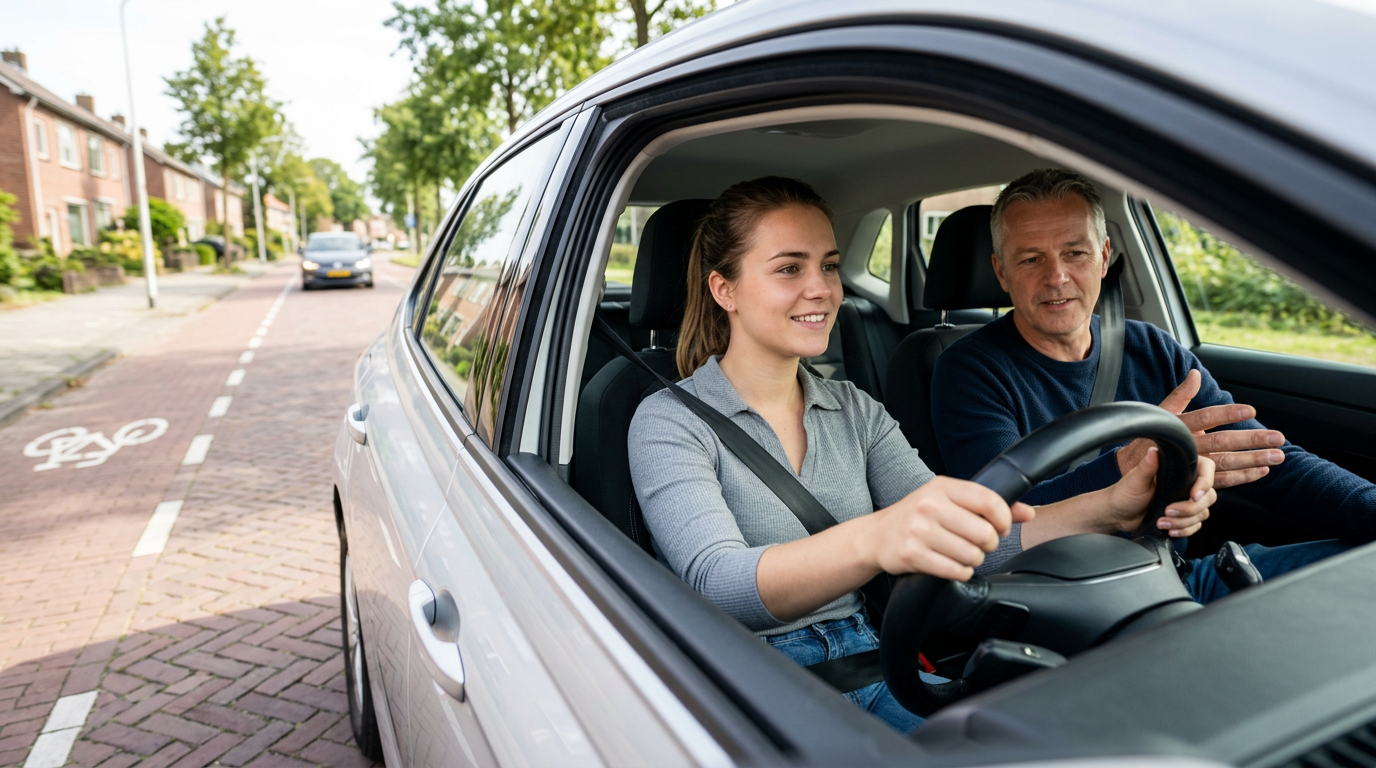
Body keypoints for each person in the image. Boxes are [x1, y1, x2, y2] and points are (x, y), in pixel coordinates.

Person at [628, 176, 1215, 733]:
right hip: (744, 684)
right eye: (789, 269)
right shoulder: (669, 420)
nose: (823, 290)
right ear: (723, 288)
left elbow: (972, 542)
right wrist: (881, 536)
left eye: (830, 266)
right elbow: (718, 584)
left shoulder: (855, 410)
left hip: (875, 661)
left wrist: (1113, 504)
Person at [930, 168, 1368, 602]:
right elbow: (998, 519)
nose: (1056, 276)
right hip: (1057, 601)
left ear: (1103, 256)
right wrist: (1123, 466)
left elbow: (1263, 456)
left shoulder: (1151, 348)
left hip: (1177, 579)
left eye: (1075, 253)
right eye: (1031, 259)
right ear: (1001, 272)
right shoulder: (967, 371)